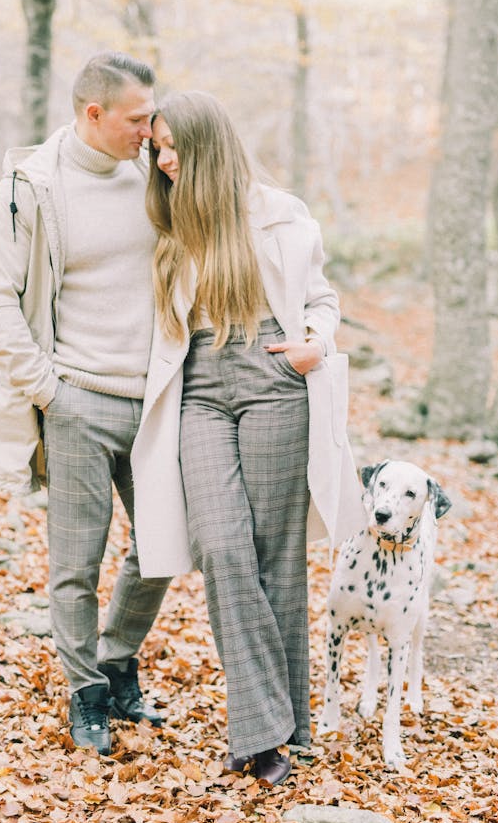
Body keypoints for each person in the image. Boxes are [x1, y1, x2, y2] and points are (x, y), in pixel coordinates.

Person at [130, 91, 359, 786]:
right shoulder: (164, 221)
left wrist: (315, 344)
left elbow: (320, 298)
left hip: (271, 376)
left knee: (275, 557)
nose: (164, 161)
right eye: (157, 149)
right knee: (223, 547)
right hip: (197, 384)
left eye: (174, 148)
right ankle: (268, 727)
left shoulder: (281, 215)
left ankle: (275, 734)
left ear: (209, 148)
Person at [0, 51, 171, 756]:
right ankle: (86, 693)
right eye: (137, 118)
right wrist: (51, 392)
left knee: (169, 544)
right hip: (77, 402)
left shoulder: (155, 177)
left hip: (154, 407)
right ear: (94, 113)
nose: (150, 129)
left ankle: (116, 659)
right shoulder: (28, 191)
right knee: (76, 564)